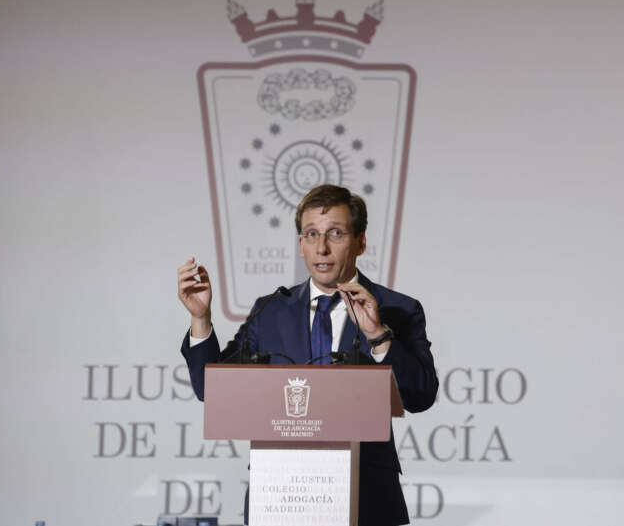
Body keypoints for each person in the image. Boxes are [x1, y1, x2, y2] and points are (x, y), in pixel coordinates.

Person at [176, 184, 438, 526]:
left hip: (367, 499)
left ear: (360, 242)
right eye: (311, 234)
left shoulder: (397, 309)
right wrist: (201, 319)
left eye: (336, 233)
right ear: (300, 245)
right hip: (280, 496)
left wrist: (378, 336)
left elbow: (420, 396)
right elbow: (212, 391)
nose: (322, 247)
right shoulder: (270, 311)